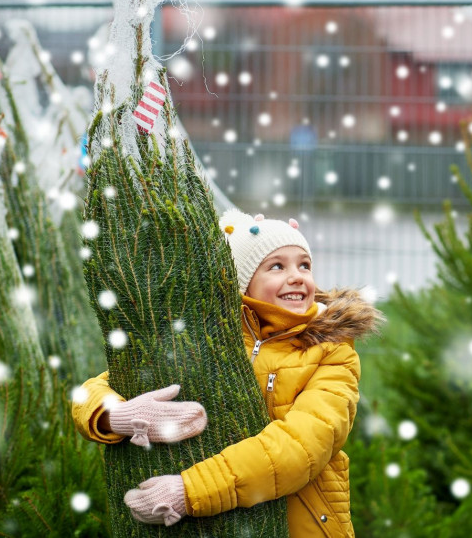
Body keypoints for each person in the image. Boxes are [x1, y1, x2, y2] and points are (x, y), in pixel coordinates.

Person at [72, 209, 380, 537]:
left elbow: (303, 446)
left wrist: (190, 491)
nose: (297, 276)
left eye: (304, 264)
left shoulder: (333, 350)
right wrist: (116, 414)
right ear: (241, 281)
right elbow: (95, 388)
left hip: (299, 526)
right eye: (277, 266)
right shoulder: (213, 334)